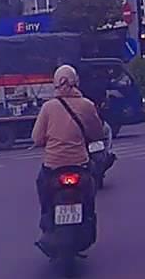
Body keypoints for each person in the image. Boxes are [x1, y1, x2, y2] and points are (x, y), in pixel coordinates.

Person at [31, 65, 106, 246]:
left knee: (41, 185)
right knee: (91, 187)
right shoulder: (87, 105)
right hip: (80, 165)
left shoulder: (48, 107)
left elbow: (36, 138)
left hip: (53, 167)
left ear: (55, 84)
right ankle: (88, 216)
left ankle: (46, 216)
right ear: (76, 82)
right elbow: (97, 133)